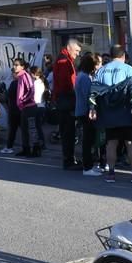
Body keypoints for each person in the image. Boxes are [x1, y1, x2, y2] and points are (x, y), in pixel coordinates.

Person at [92, 44, 132, 183]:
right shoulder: (128, 69)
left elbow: (94, 91)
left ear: (110, 55)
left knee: (111, 144)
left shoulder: (102, 70)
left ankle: (111, 174)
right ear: (123, 56)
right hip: (126, 112)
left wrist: (92, 108)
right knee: (130, 143)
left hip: (108, 114)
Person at [53, 38, 81, 169]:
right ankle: (69, 161)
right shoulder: (64, 61)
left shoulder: (65, 59)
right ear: (69, 48)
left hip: (64, 99)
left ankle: (70, 159)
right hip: (66, 100)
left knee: (68, 132)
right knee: (68, 132)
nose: (78, 53)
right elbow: (67, 83)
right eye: (76, 50)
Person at [75, 54, 101, 177]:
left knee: (87, 140)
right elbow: (88, 96)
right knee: (88, 140)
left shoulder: (80, 76)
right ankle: (87, 167)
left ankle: (89, 165)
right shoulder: (85, 78)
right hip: (86, 111)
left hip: (81, 111)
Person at [13, 58, 41, 157]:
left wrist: (23, 100)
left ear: (22, 66)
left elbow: (30, 90)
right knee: (24, 129)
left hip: (30, 106)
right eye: (14, 64)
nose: (14, 67)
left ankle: (36, 149)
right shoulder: (20, 77)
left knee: (32, 128)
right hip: (24, 107)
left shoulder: (25, 75)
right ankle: (26, 148)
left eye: (17, 65)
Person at [0, 71, 21, 155]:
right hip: (21, 108)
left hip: (14, 108)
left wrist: (4, 93)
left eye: (14, 73)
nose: (12, 75)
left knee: (12, 129)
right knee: (23, 129)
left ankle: (9, 146)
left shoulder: (14, 83)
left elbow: (8, 95)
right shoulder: (24, 82)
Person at [30, 66, 48, 147]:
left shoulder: (35, 83)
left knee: (36, 127)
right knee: (38, 126)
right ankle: (41, 142)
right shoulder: (42, 81)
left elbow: (33, 95)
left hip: (36, 106)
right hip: (42, 106)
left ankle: (40, 142)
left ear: (34, 74)